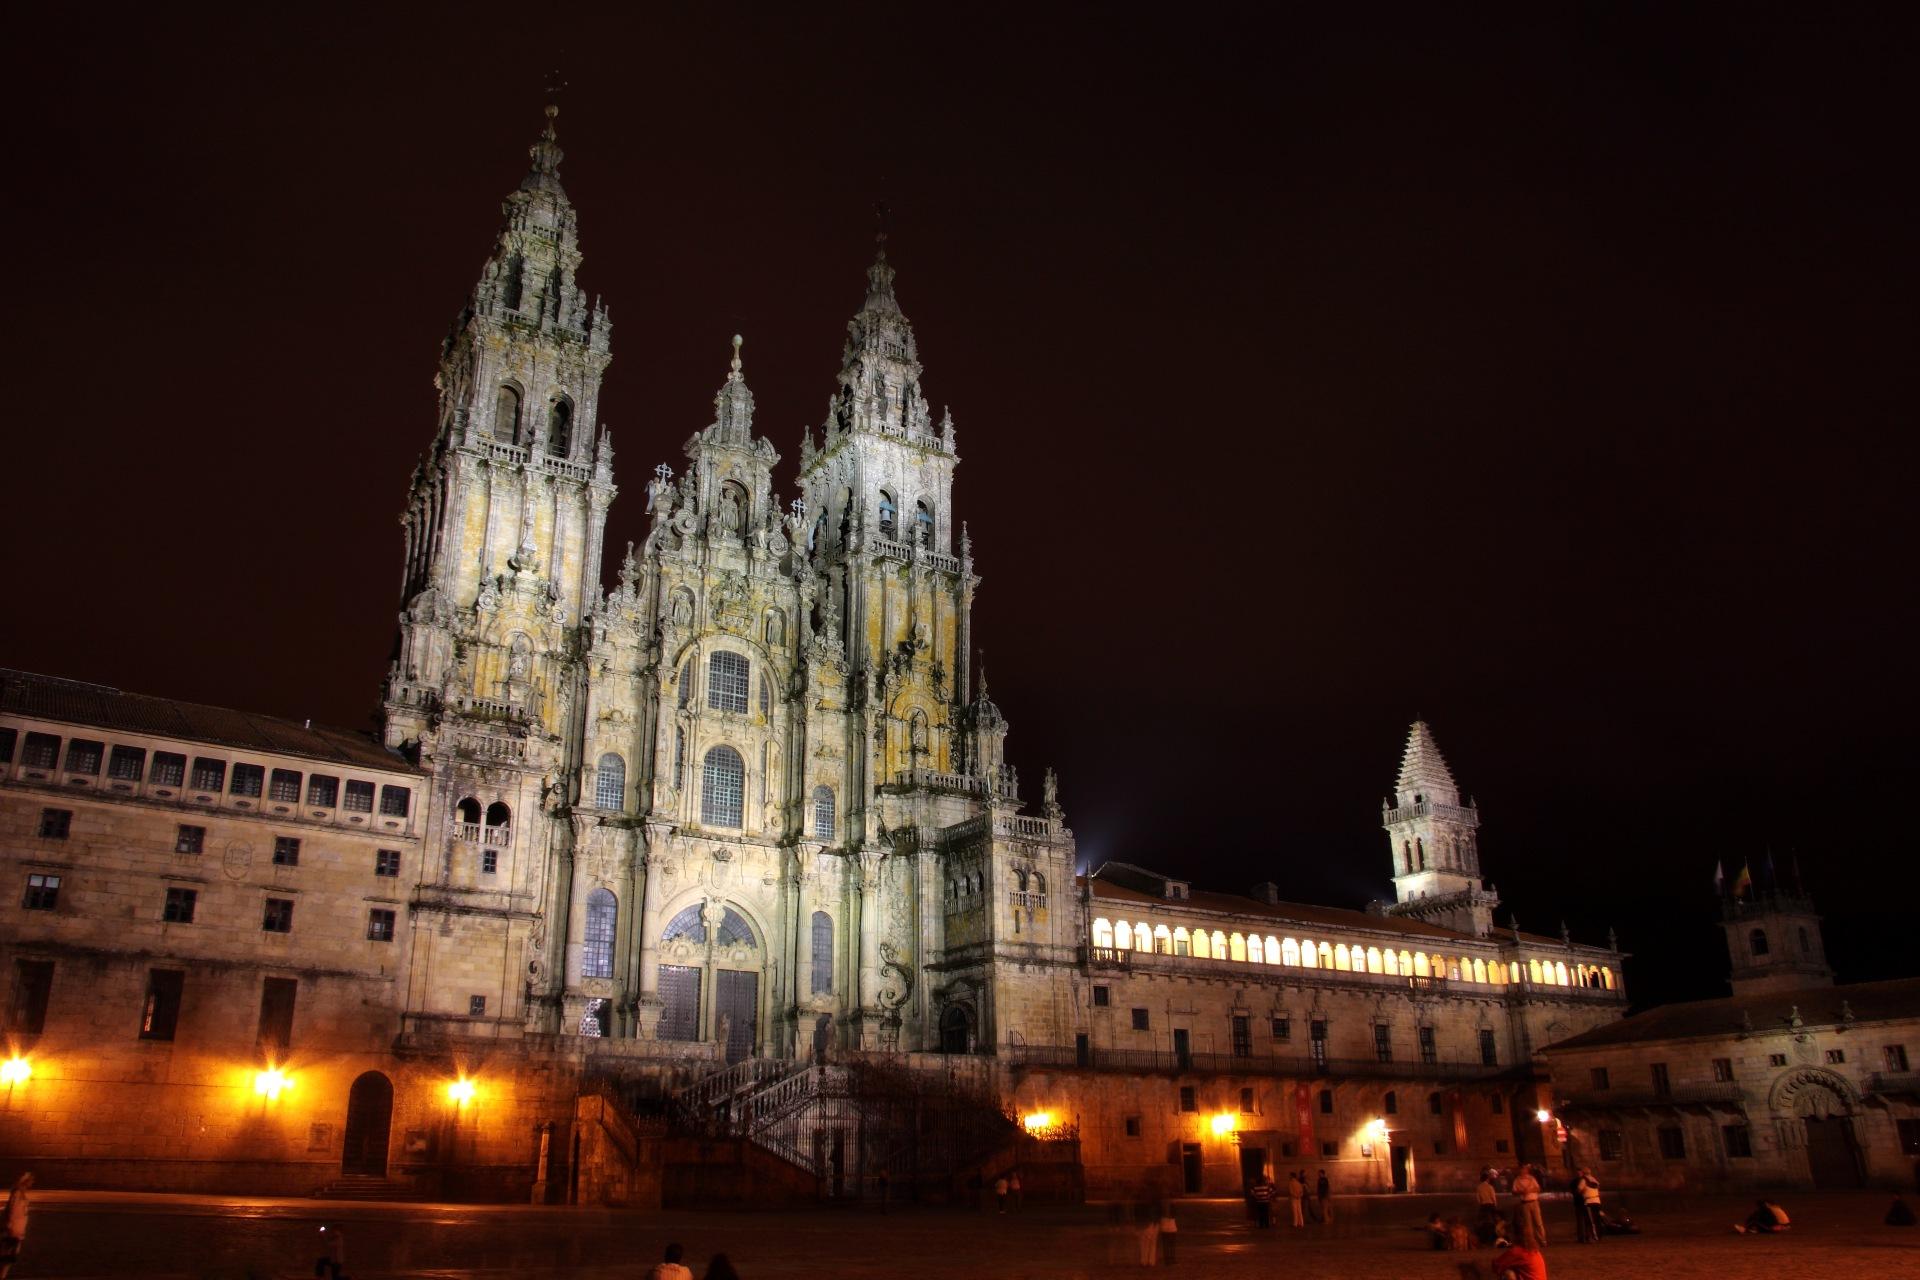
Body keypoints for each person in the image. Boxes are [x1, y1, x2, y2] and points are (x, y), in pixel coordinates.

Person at [0, 1174, 31, 1280]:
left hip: (17, 1229)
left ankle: (2, 1275)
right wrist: (9, 1225)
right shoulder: (17, 1193)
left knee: (9, 1256)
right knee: (7, 1256)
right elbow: (12, 1210)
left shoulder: (20, 1193)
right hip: (13, 1229)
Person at [1509, 1164, 1546, 1247]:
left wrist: (1530, 1190)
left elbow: (1538, 1188)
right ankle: (1531, 1242)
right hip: (1525, 1203)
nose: (1524, 1171)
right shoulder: (1517, 1180)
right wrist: (1521, 1192)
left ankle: (1542, 1240)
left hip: (1534, 1202)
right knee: (1528, 1225)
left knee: (1538, 1223)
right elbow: (1513, 1192)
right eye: (1522, 1169)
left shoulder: (1531, 1179)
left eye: (1525, 1169)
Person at [1574, 1168, 1602, 1244]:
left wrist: (1580, 1193)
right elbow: (1598, 1187)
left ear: (1583, 1173)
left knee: (1590, 1220)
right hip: (1597, 1201)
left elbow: (1579, 1189)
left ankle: (1594, 1237)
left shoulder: (1583, 1180)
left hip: (1589, 1201)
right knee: (1597, 1219)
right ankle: (1598, 1235)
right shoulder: (1594, 1179)